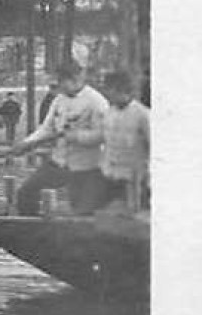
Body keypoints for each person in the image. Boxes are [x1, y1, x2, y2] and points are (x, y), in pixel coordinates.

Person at [9, 59, 111, 215]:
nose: (60, 86)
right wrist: (27, 143)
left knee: (82, 210)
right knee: (26, 192)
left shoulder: (96, 102)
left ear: (76, 79)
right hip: (59, 162)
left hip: (86, 167)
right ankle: (30, 228)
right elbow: (47, 128)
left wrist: (78, 137)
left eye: (63, 81)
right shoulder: (59, 100)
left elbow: (104, 135)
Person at [99, 70, 150, 211]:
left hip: (133, 180)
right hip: (110, 176)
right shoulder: (109, 113)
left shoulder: (143, 115)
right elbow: (106, 141)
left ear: (121, 89)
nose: (108, 93)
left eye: (110, 89)